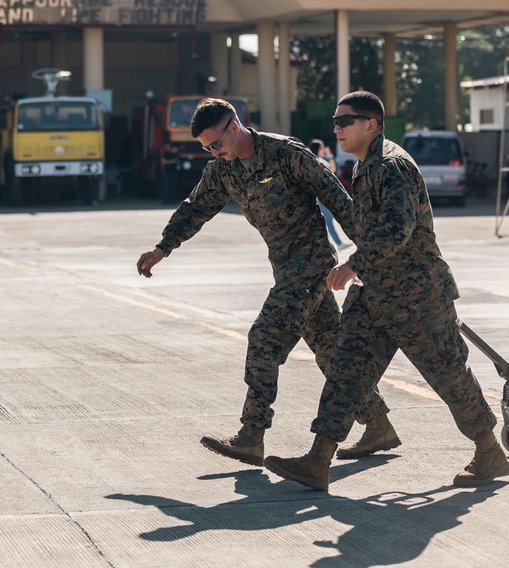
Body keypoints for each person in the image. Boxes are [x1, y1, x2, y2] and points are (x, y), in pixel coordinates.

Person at [263, 91, 506, 491]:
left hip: (418, 296)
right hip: (376, 293)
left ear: (371, 125)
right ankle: (318, 459)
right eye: (335, 121)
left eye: (346, 121)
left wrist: (352, 263)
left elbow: (398, 229)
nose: (337, 128)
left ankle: (489, 451)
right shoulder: (365, 167)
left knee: (448, 377)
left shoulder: (391, 166)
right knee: (347, 371)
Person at [136, 98, 395, 468]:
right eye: (206, 148)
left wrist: (367, 255)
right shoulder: (223, 170)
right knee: (331, 349)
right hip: (284, 265)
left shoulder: (285, 153)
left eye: (215, 143)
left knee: (265, 337)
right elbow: (196, 207)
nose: (214, 152)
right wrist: (164, 247)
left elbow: (336, 197)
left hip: (311, 262)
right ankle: (379, 424)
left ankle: (251, 435)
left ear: (234, 125)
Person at [308, 139, 348, 248]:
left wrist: (329, 155)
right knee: (329, 220)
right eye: (322, 148)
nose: (323, 150)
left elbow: (333, 169)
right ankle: (338, 243)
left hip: (325, 195)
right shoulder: (314, 162)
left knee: (329, 220)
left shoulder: (321, 160)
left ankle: (337, 243)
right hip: (319, 196)